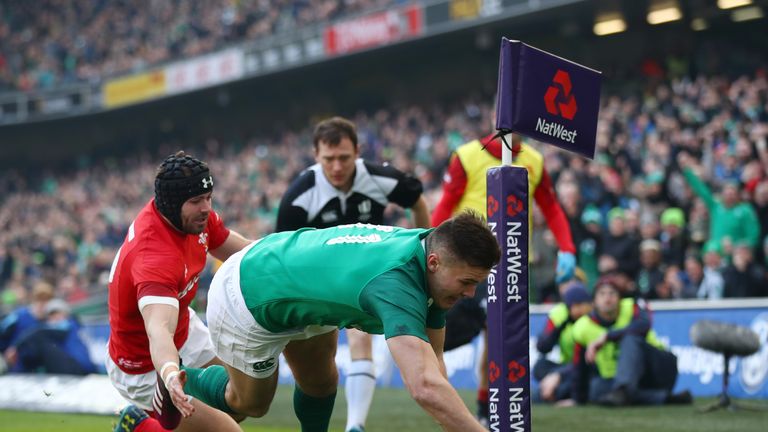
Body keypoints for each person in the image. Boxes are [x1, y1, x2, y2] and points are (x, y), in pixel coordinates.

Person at [180, 212, 500, 432]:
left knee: (322, 382)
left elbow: (436, 369)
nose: (471, 293)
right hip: (247, 294)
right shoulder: (397, 283)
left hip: (297, 285)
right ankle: (166, 381)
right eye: (467, 282)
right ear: (435, 263)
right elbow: (424, 386)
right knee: (247, 404)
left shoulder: (434, 260)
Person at [276, 116, 430, 432]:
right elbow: (284, 249)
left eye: (344, 158)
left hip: (367, 271)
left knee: (360, 337)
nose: (336, 166)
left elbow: (417, 202)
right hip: (318, 278)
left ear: (357, 151)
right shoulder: (299, 195)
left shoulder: (380, 178)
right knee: (319, 365)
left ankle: (355, 425)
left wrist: (421, 244)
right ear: (316, 156)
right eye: (328, 159)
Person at [431, 132, 576, 423]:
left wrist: (567, 249)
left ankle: (486, 408)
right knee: (482, 327)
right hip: (467, 262)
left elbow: (550, 206)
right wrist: (427, 246)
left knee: (496, 333)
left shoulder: (534, 160)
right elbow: (446, 205)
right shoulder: (467, 156)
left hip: (514, 265)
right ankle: (449, 391)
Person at [106, 151, 251, 432]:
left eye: (208, 198)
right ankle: (138, 426)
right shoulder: (154, 256)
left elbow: (244, 250)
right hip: (145, 365)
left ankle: (139, 426)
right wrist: (170, 375)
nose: (206, 208)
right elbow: (158, 330)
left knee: (241, 401)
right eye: (197, 201)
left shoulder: (191, 216)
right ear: (172, 205)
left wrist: (290, 255)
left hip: (185, 331)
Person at [568, 277, 691, 406]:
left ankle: (623, 391)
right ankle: (663, 398)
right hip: (626, 381)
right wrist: (576, 399)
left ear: (620, 298)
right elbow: (579, 364)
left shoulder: (633, 307)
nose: (607, 298)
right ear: (594, 301)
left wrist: (608, 336)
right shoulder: (583, 327)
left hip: (658, 368)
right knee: (596, 389)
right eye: (602, 294)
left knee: (630, 339)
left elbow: (643, 325)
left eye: (612, 293)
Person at [533, 283, 592, 403]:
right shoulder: (560, 315)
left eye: (582, 305)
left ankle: (554, 393)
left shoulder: (593, 320)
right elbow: (542, 347)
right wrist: (561, 326)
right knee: (540, 366)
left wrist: (557, 375)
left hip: (585, 369)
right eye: (575, 305)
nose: (580, 309)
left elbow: (584, 362)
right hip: (565, 366)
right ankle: (555, 391)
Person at [12, 298, 98, 375]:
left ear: (66, 313)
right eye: (51, 315)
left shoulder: (69, 324)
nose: (54, 317)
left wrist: (15, 347)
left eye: (58, 313)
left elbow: (39, 331)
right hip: (78, 366)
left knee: (40, 341)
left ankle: (17, 372)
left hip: (80, 368)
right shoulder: (69, 326)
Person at [0, 281, 54, 373]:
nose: (42, 304)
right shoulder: (18, 316)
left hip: (40, 371)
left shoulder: (51, 321)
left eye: (46, 300)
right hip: (17, 370)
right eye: (39, 299)